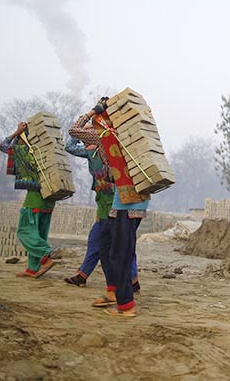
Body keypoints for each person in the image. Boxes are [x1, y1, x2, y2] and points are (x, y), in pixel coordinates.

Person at [69, 99, 149, 318]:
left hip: (128, 199)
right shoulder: (128, 133)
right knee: (107, 243)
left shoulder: (105, 134)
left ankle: (126, 306)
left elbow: (74, 130)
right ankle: (114, 292)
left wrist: (91, 111)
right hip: (128, 197)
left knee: (120, 252)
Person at [62, 128, 140, 293]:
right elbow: (70, 145)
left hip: (114, 202)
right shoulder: (93, 151)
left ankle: (118, 283)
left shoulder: (106, 145)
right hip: (107, 201)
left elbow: (72, 136)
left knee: (108, 242)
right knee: (120, 242)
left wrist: (90, 115)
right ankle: (130, 281)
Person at [0, 121, 56, 278]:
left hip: (34, 198)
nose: (19, 140)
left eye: (21, 138)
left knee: (25, 231)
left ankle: (46, 257)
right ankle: (33, 269)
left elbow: (3, 145)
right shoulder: (47, 152)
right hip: (49, 198)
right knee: (39, 233)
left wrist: (16, 132)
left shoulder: (25, 152)